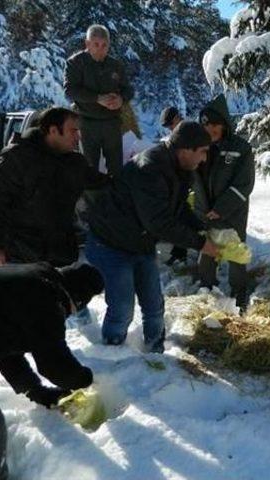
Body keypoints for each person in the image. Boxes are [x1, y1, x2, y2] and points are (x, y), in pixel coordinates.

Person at [0, 262, 104, 480]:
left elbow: (4, 346)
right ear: (75, 301)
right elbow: (55, 365)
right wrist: (87, 382)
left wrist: (34, 390)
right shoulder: (46, 299)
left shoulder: (25, 284)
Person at [85, 121, 219, 351]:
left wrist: (200, 227)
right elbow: (158, 222)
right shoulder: (150, 168)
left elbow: (177, 208)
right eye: (203, 152)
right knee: (122, 307)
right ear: (186, 149)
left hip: (140, 241)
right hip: (111, 242)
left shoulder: (181, 168)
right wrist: (200, 243)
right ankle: (112, 352)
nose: (204, 159)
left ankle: (156, 351)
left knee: (154, 304)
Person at [0, 107, 109, 268]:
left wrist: (136, 174)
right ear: (53, 130)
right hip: (22, 256)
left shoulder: (75, 162)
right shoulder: (16, 157)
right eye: (73, 131)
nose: (78, 137)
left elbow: (102, 183)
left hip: (62, 254)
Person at [194, 94, 255, 311]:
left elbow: (244, 184)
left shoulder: (241, 148)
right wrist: (202, 209)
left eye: (215, 124)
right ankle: (207, 289)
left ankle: (239, 294)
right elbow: (194, 180)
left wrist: (221, 208)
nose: (211, 129)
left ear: (224, 124)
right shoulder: (200, 148)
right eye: (206, 125)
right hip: (206, 214)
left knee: (236, 255)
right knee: (207, 254)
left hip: (232, 213)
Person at [64, 24, 134, 177]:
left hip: (112, 122)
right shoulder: (75, 63)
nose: (100, 49)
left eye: (104, 45)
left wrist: (121, 99)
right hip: (87, 123)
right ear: (87, 44)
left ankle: (115, 198)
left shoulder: (115, 65)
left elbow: (128, 90)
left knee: (116, 169)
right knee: (89, 169)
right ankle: (92, 200)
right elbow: (70, 90)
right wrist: (97, 98)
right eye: (96, 44)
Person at [159, 106, 188, 266]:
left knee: (183, 216)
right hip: (180, 181)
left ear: (177, 118)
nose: (170, 128)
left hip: (189, 181)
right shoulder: (176, 134)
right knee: (179, 216)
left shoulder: (188, 132)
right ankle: (179, 252)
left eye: (170, 124)